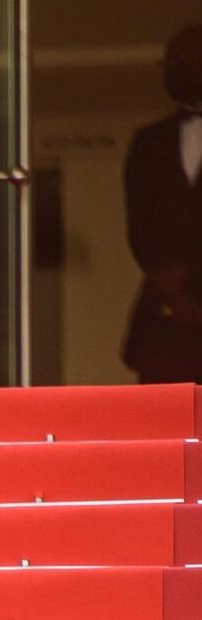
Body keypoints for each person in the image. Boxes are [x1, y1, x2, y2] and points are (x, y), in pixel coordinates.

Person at [123, 24, 202, 383]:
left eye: (190, 61)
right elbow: (139, 223)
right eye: (173, 63)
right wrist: (170, 285)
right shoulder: (149, 142)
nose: (180, 69)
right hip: (165, 318)